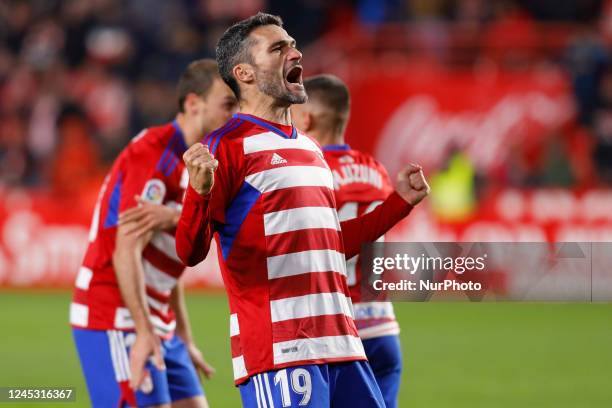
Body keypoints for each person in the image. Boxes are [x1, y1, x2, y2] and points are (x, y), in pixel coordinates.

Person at [176, 13, 430, 408]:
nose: (295, 52)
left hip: (343, 344)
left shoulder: (310, 149)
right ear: (243, 72)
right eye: (278, 48)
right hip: (282, 350)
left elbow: (330, 246)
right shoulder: (225, 147)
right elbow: (189, 252)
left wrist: (398, 204)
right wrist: (199, 192)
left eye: (293, 44)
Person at [70, 59, 238, 408]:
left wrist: (183, 335)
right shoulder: (154, 153)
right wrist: (144, 332)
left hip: (158, 318)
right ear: (193, 103)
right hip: (116, 315)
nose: (234, 114)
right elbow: (125, 249)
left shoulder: (198, 161)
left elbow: (169, 258)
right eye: (227, 104)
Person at [292, 74, 403, 408]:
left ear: (307, 118)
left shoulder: (309, 171)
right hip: (382, 325)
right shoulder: (376, 170)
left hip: (334, 330)